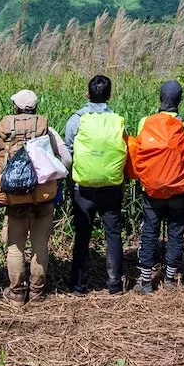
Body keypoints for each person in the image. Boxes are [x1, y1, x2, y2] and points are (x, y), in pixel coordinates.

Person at [0, 89, 72, 304]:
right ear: (36, 108)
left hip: (14, 195)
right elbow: (67, 159)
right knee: (39, 245)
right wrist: (56, 175)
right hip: (42, 195)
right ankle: (37, 292)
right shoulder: (47, 130)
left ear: (15, 108)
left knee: (15, 246)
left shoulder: (6, 131)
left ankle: (17, 293)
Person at [130, 80, 184, 293]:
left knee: (149, 231)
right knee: (176, 232)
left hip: (152, 189)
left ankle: (146, 281)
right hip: (179, 189)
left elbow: (141, 150)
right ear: (180, 100)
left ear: (160, 98)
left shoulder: (145, 122)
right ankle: (169, 279)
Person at [65, 75, 128, 295]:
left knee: (83, 235)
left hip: (83, 187)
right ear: (109, 95)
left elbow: (68, 152)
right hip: (111, 187)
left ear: (87, 94)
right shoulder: (117, 120)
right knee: (113, 234)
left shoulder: (76, 119)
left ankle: (79, 286)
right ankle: (115, 284)